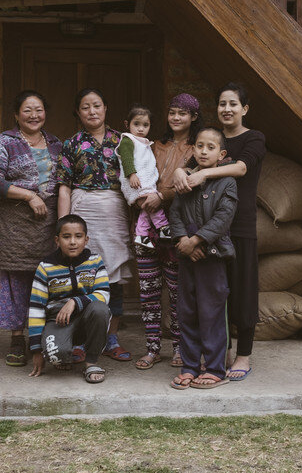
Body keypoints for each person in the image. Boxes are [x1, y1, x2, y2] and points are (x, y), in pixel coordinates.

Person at [173, 82, 266, 381]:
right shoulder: (209, 141)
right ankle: (219, 352)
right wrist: (180, 171)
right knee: (213, 294)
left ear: (244, 109)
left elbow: (240, 168)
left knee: (242, 290)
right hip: (207, 228)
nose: (227, 109)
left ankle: (244, 355)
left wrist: (203, 173)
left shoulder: (254, 138)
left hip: (239, 225)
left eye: (233, 104)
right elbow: (188, 169)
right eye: (222, 104)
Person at [0, 90, 62, 367]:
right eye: (27, 110)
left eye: (38, 110)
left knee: (48, 279)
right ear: (16, 115)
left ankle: (42, 337)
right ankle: (17, 339)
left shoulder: (56, 143)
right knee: (16, 280)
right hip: (16, 223)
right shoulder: (4, 141)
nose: (34, 115)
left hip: (49, 222)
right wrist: (29, 196)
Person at [56, 88, 133, 362]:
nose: (92, 111)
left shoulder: (122, 141)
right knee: (83, 274)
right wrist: (63, 226)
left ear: (105, 108)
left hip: (114, 213)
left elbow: (135, 180)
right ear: (78, 112)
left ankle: (111, 339)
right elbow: (64, 187)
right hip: (83, 211)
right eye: (85, 107)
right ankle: (80, 340)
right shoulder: (72, 143)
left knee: (114, 277)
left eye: (97, 105)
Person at [133, 93, 204, 370]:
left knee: (177, 293)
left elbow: (192, 183)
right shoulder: (153, 145)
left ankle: (178, 348)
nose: (176, 117)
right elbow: (137, 174)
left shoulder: (197, 148)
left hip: (176, 228)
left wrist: (162, 197)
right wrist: (141, 198)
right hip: (145, 226)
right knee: (148, 291)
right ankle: (152, 349)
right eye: (172, 112)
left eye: (182, 113)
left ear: (194, 117)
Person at [168, 127, 238, 389]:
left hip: (213, 257)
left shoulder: (227, 182)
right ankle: (189, 366)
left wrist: (196, 240)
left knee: (212, 313)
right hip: (187, 258)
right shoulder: (185, 180)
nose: (204, 151)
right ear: (193, 150)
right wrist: (182, 241)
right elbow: (175, 213)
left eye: (211, 147)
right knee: (187, 312)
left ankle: (216, 368)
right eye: (199, 146)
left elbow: (223, 218)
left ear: (221, 155)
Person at [28, 214, 111, 384]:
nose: (73, 242)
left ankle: (91, 362)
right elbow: (36, 308)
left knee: (100, 309)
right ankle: (64, 352)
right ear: (57, 240)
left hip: (87, 317)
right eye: (66, 237)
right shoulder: (46, 267)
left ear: (86, 239)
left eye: (78, 236)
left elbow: (104, 294)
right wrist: (36, 350)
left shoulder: (95, 261)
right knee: (56, 356)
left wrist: (75, 302)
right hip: (58, 320)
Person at [115, 104, 171, 249]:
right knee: (151, 205)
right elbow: (127, 158)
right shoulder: (128, 140)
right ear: (127, 124)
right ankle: (163, 227)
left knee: (147, 207)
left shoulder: (144, 143)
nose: (141, 129)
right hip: (134, 182)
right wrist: (132, 174)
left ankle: (141, 235)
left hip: (143, 182)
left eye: (145, 125)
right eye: (136, 124)